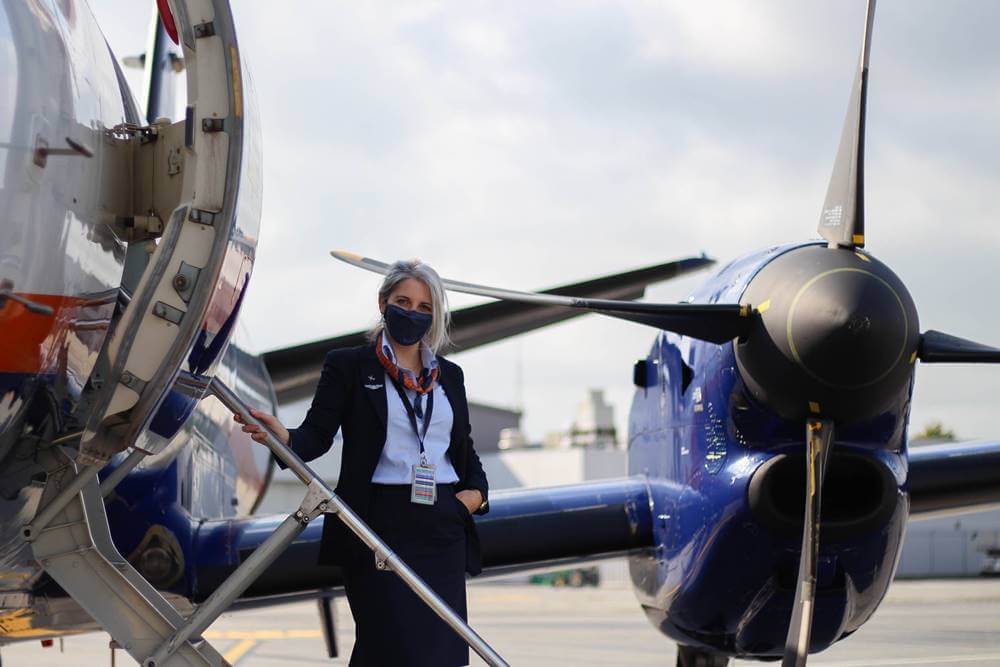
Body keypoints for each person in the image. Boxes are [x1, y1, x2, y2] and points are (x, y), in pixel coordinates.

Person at [236, 260, 489, 666]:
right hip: (377, 523)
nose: (413, 313)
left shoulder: (450, 376)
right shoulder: (350, 365)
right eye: (403, 301)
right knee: (388, 646)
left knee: (442, 653)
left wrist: (470, 500)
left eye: (425, 307)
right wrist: (282, 438)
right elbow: (316, 436)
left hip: (442, 528)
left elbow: (462, 450)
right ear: (382, 303)